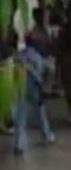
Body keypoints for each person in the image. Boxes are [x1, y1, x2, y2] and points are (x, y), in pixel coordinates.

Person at [13, 15, 55, 153]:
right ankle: (46, 135)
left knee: (21, 113)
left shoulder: (20, 56)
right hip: (34, 87)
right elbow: (44, 75)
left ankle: (19, 143)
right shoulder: (38, 58)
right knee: (40, 112)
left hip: (21, 85)